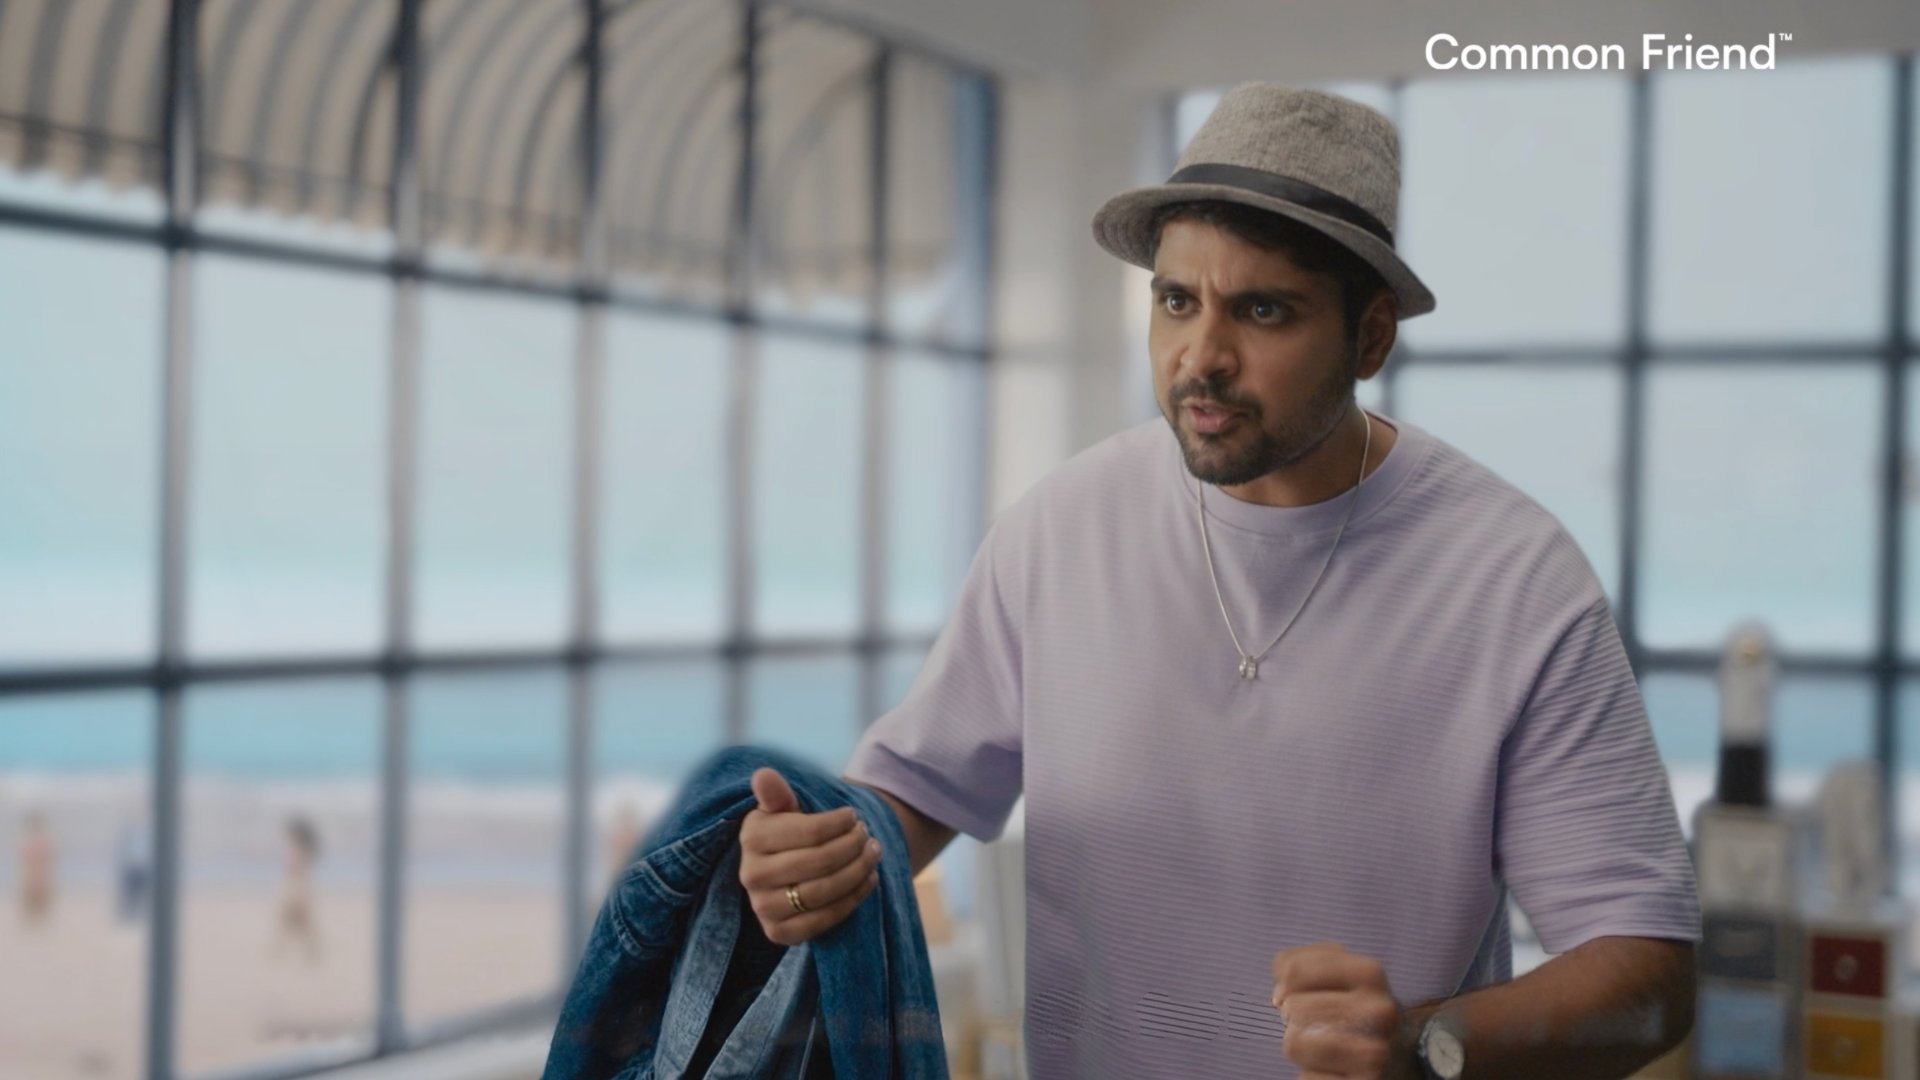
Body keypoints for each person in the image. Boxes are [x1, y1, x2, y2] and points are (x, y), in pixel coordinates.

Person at [737, 83, 1701, 1079]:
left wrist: (1426, 1045)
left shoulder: (1515, 579)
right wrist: (821, 860)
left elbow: (1648, 975)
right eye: (1175, 302)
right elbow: (917, 787)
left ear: (1371, 337)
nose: (1202, 358)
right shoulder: (1059, 529)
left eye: (1264, 311)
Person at [273, 814, 322, 964]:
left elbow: (292, 868)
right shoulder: (306, 850)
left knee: (291, 921)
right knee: (299, 924)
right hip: (302, 887)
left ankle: (279, 950)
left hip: (296, 888)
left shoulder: (299, 849)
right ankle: (309, 951)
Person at [18, 810, 54, 927]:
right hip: (35, 874)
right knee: (33, 897)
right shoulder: (36, 841)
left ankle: (38, 919)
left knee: (39, 897)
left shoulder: (40, 841)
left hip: (38, 874)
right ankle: (34, 919)